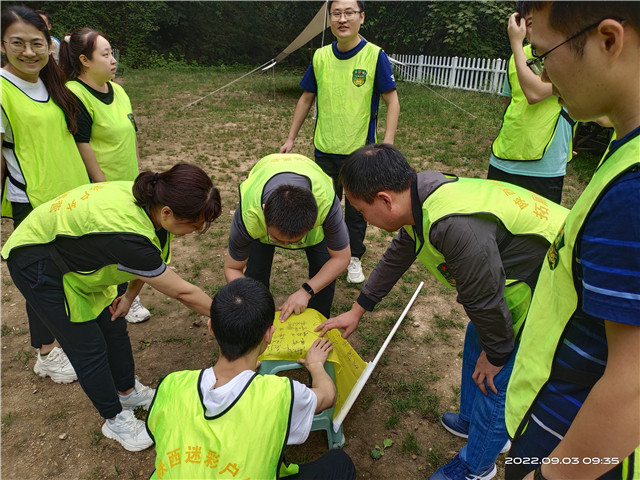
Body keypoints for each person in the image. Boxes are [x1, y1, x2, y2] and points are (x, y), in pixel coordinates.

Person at [315, 144, 569, 480]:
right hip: (515, 277)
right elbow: (398, 255)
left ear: (385, 200)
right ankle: (470, 420)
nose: (364, 220)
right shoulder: (420, 196)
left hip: (554, 279)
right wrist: (358, 309)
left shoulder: (454, 226)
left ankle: (477, 466)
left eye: (362, 212)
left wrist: (496, 355)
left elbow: (486, 298)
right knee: (478, 334)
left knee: (500, 375)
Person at [503, 3, 640, 479]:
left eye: (544, 53)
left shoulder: (633, 192)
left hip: (569, 446)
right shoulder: (624, 148)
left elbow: (634, 384)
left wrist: (551, 475)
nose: (542, 71)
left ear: (608, 41)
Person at [1, 163, 222, 452]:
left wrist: (129, 298)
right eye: (193, 225)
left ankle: (127, 391)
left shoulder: (151, 207)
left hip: (75, 256)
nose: (195, 231)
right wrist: (225, 317)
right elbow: (182, 291)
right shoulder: (128, 235)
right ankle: (114, 419)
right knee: (88, 346)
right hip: (37, 260)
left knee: (114, 322)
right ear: (167, 212)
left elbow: (148, 265)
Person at [146, 277, 356, 480]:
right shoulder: (281, 395)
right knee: (340, 464)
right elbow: (328, 396)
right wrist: (316, 365)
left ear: (211, 328)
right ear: (269, 334)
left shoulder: (171, 385)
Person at [1, 5, 91, 385]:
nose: (28, 52)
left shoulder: (51, 81)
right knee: (42, 279)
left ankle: (60, 341)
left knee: (67, 272)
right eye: (17, 43)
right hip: (34, 202)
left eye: (36, 43)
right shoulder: (3, 89)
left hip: (68, 196)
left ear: (48, 45)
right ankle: (47, 353)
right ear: (2, 44)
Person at [280, 0, 400, 284]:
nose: (342, 19)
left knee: (358, 209)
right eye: (336, 13)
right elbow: (306, 97)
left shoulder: (374, 55)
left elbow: (392, 101)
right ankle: (327, 254)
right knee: (323, 204)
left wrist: (388, 143)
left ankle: (354, 257)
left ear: (361, 17)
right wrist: (291, 138)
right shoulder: (320, 56)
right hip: (324, 148)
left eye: (349, 13)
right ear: (330, 19)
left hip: (360, 152)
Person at [60, 27, 150, 324]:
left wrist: (138, 170)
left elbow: (130, 131)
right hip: (102, 188)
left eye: (113, 53)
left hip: (129, 183)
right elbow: (82, 142)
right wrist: (102, 185)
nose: (113, 60)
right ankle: (113, 299)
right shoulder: (76, 94)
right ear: (84, 60)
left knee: (130, 238)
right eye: (106, 54)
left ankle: (127, 295)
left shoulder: (119, 90)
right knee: (111, 245)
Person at [224, 153, 350, 321]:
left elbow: (341, 258)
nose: (287, 245)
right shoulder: (249, 213)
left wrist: (307, 291)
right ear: (263, 211)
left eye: (295, 240)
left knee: (323, 275)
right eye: (278, 239)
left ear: (314, 221)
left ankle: (319, 326)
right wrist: (252, 302)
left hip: (312, 206)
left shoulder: (326, 204)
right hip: (266, 172)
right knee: (255, 275)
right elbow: (232, 268)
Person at [488, 1, 574, 204]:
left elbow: (534, 93)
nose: (532, 29)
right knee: (495, 228)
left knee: (536, 233)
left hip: (545, 167)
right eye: (528, 23)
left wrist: (516, 45)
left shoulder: (568, 51)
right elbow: (510, 101)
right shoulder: (517, 56)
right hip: (504, 157)